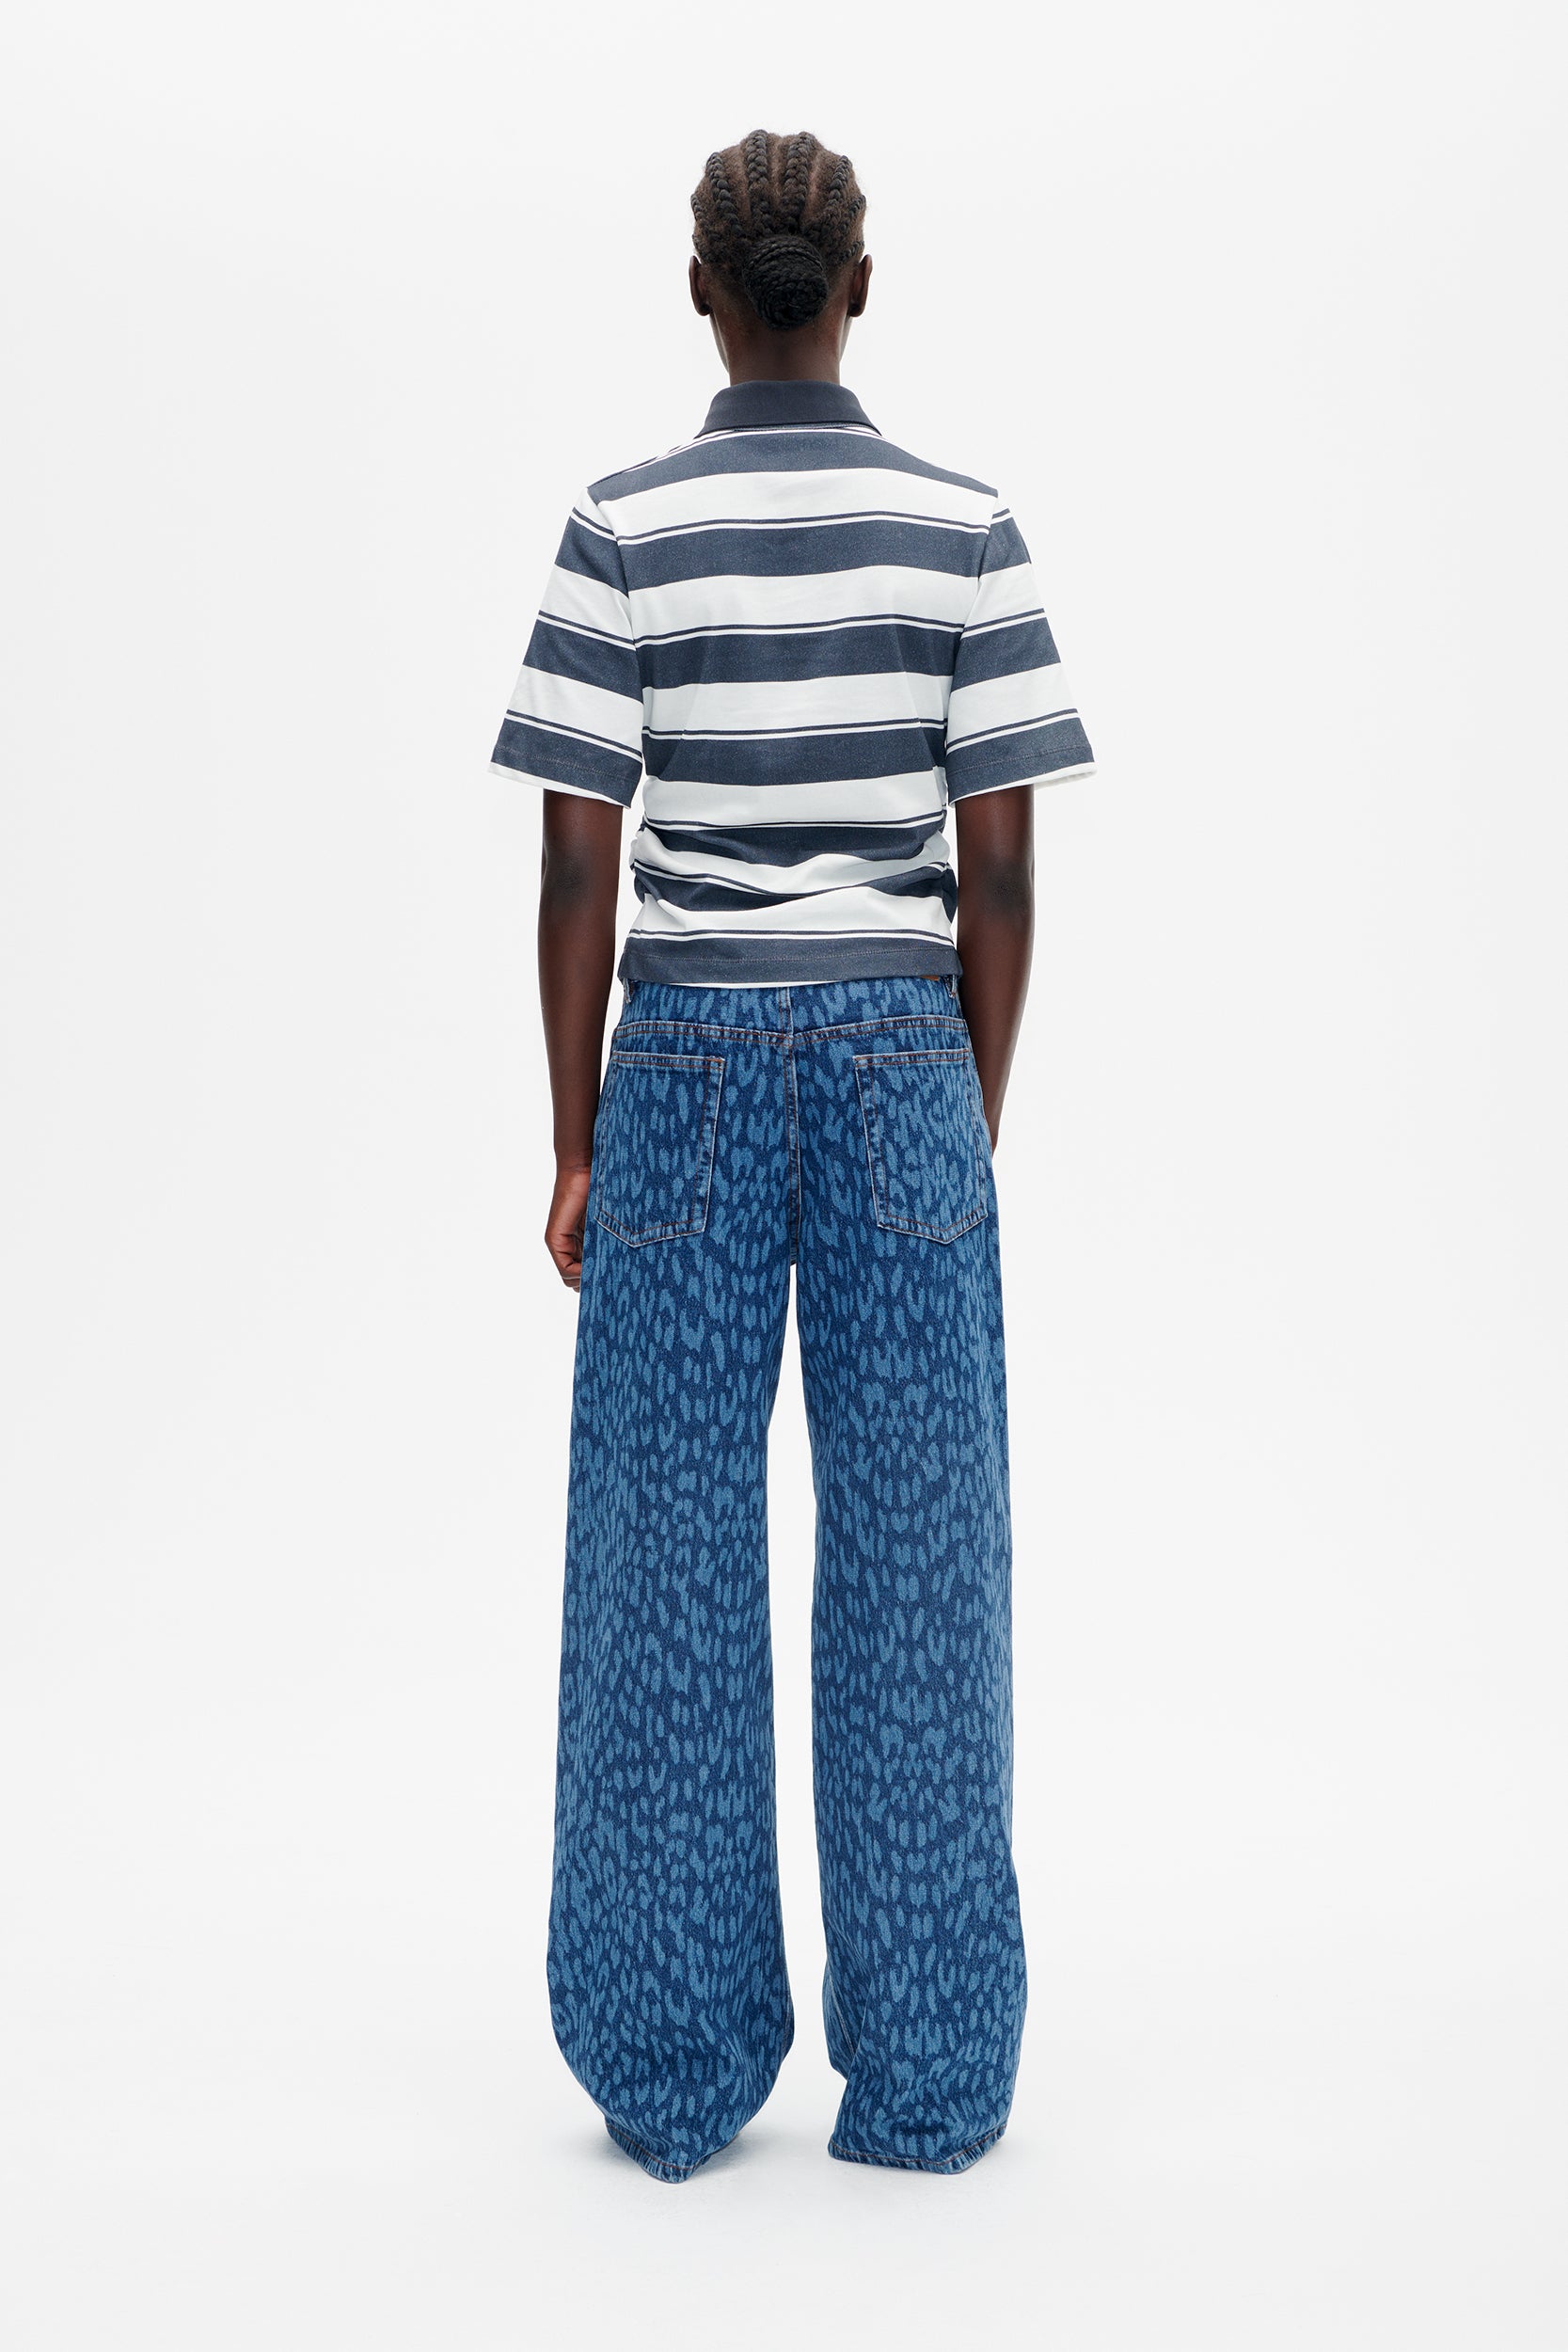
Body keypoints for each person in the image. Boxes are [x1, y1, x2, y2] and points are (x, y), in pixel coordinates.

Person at [488, 127, 1096, 2182]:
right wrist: (959, 1115)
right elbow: (999, 876)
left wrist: (574, 1139)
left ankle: (668, 2074)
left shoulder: (619, 528)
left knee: (658, 1558)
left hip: (681, 1064)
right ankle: (927, 2080)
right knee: (924, 1564)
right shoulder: (966, 530)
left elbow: (579, 867)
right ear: (859, 286)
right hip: (905, 1057)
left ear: (700, 294)